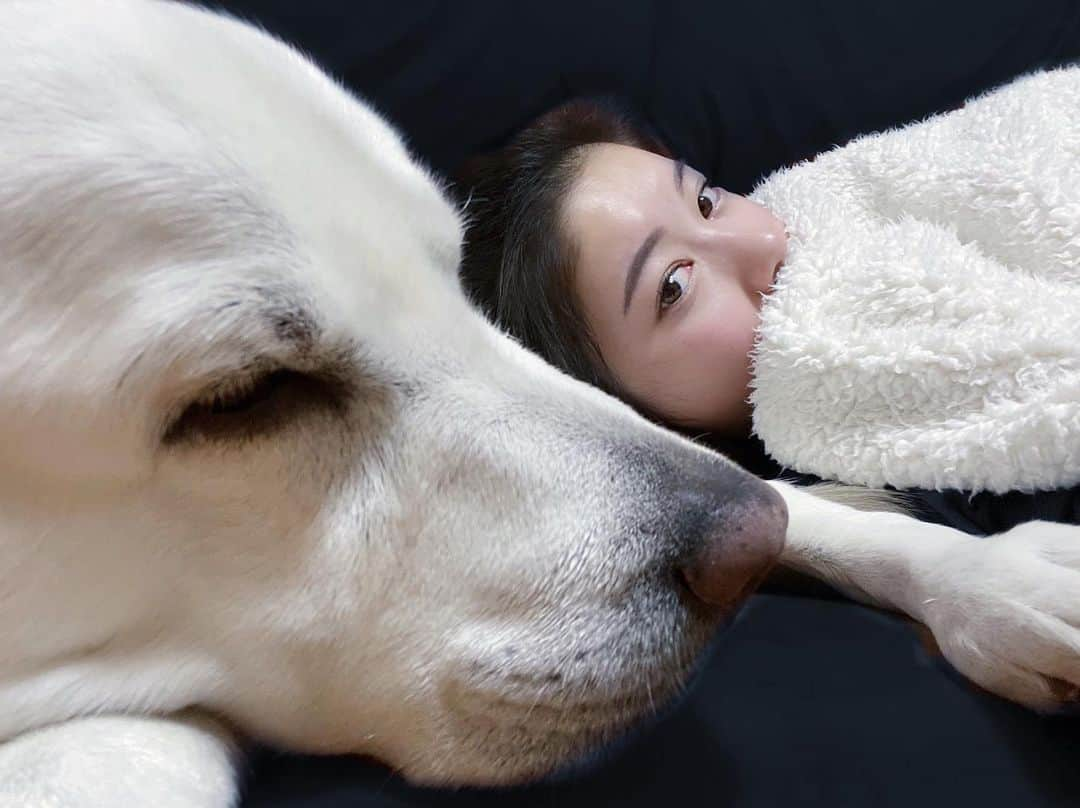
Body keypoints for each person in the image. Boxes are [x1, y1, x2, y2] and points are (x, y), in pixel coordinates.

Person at [457, 97, 1080, 532]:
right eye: (673, 287)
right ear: (620, 412)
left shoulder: (876, 200)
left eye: (706, 201)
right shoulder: (891, 523)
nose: (764, 245)